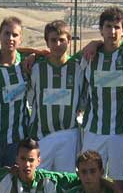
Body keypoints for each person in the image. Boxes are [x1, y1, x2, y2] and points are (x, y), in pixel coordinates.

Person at [79, 7, 123, 180]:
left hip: (122, 131)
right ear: (101, 30)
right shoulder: (89, 55)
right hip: (94, 129)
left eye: (117, 27)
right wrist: (33, 56)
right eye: (108, 27)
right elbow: (58, 57)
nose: (112, 31)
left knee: (121, 181)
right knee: (89, 179)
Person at [28, 20, 84, 172]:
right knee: (41, 182)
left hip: (69, 135)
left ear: (69, 41)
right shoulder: (36, 68)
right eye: (53, 40)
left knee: (64, 182)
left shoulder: (79, 67)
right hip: (42, 136)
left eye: (62, 40)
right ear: (46, 42)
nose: (58, 44)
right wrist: (34, 54)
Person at [0, 17, 30, 167]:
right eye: (6, 33)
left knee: (14, 187)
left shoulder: (27, 63)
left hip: (18, 141)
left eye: (15, 35)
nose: (10, 38)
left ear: (20, 39)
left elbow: (53, 54)